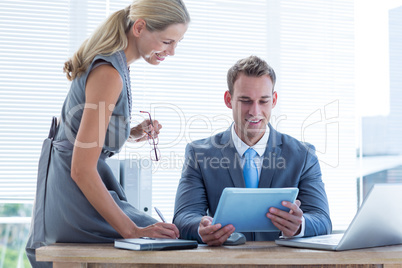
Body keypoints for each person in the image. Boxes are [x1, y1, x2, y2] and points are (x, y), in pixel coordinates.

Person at [26, 0, 190, 267]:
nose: (172, 52)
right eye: (167, 42)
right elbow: (81, 169)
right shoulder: (109, 74)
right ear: (139, 27)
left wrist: (133, 133)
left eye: (177, 43)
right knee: (172, 241)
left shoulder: (115, 65)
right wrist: (131, 231)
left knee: (170, 236)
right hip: (73, 200)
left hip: (69, 191)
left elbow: (84, 135)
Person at [173, 55, 332, 246]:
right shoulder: (199, 154)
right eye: (245, 101)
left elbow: (322, 219)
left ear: (273, 100)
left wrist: (300, 226)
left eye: (263, 101)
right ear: (228, 99)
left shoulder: (303, 155)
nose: (255, 111)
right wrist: (200, 227)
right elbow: (183, 216)